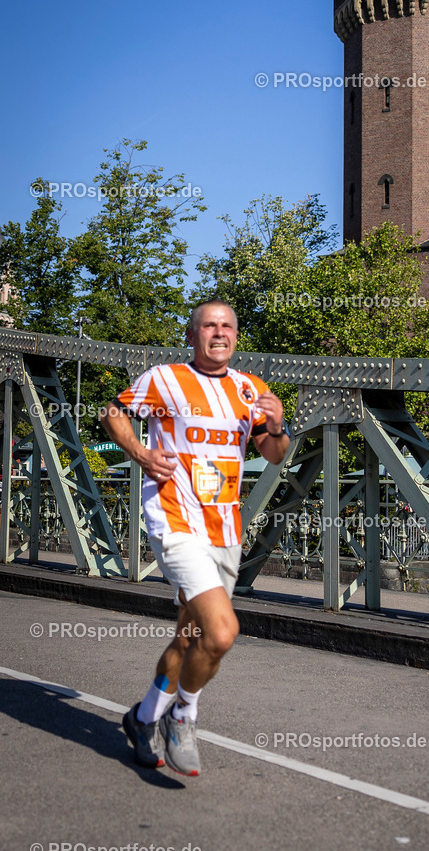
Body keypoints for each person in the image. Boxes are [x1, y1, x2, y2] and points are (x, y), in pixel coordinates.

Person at [99, 299, 290, 776]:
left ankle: (141, 719)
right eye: (209, 325)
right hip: (175, 521)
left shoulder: (251, 389)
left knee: (191, 635)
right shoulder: (164, 379)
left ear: (236, 336)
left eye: (227, 326)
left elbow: (273, 454)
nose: (219, 333)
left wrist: (279, 425)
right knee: (222, 632)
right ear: (193, 335)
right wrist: (142, 453)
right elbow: (112, 414)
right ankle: (182, 716)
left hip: (225, 528)